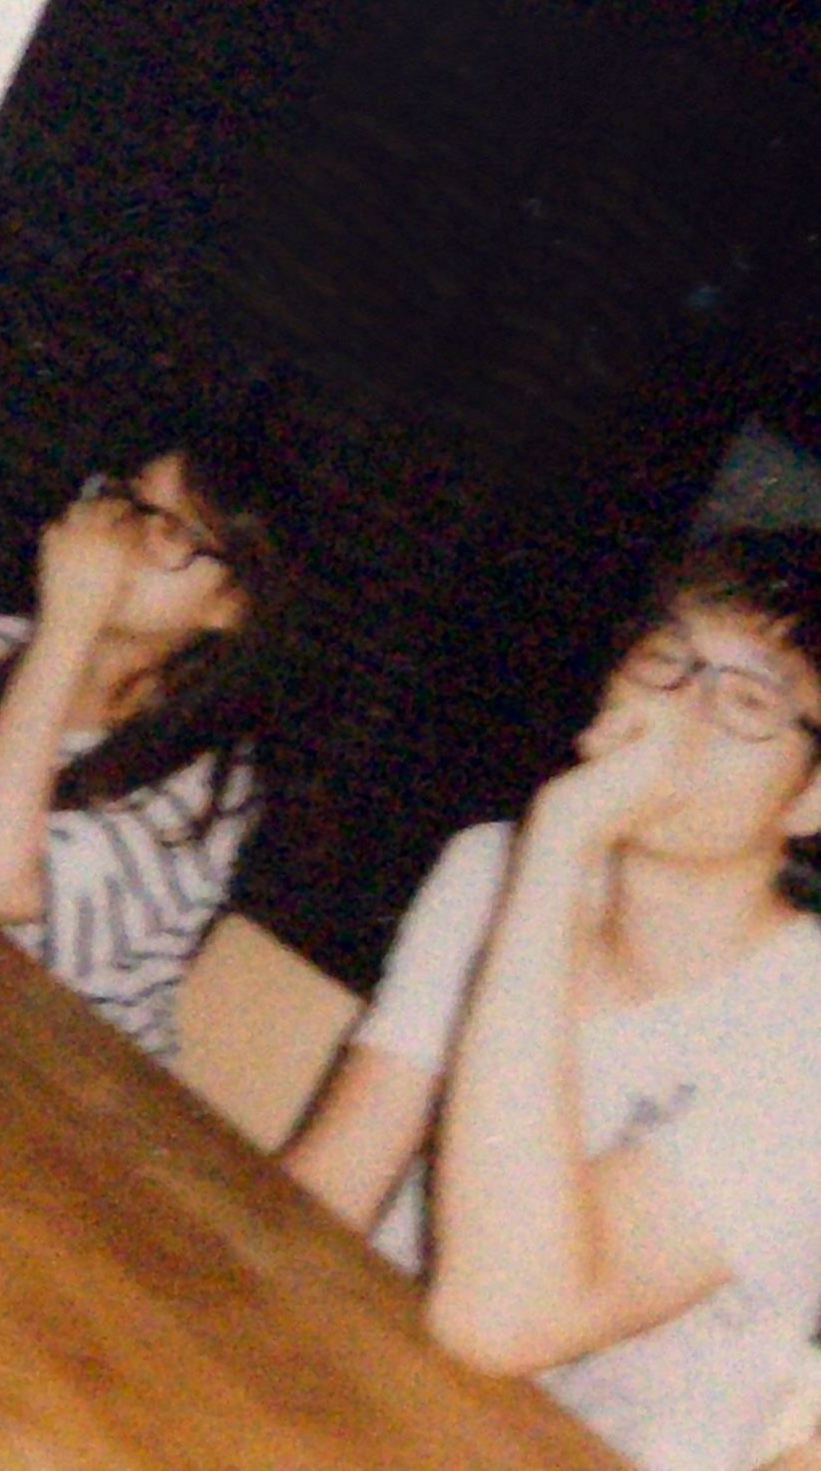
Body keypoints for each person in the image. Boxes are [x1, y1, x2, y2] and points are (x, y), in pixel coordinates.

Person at [281, 530, 821, 1471]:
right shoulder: (492, 867)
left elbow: (504, 1320)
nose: (679, 713)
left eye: (747, 702)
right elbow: (327, 1188)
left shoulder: (802, 1026)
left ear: (813, 799)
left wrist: (561, 847)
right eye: (665, 659)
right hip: (359, 1390)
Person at [0, 430, 290, 1060]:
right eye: (129, 500)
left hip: (51, 1070)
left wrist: (68, 624)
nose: (127, 534)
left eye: (173, 530)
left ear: (231, 607)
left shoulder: (204, 791)